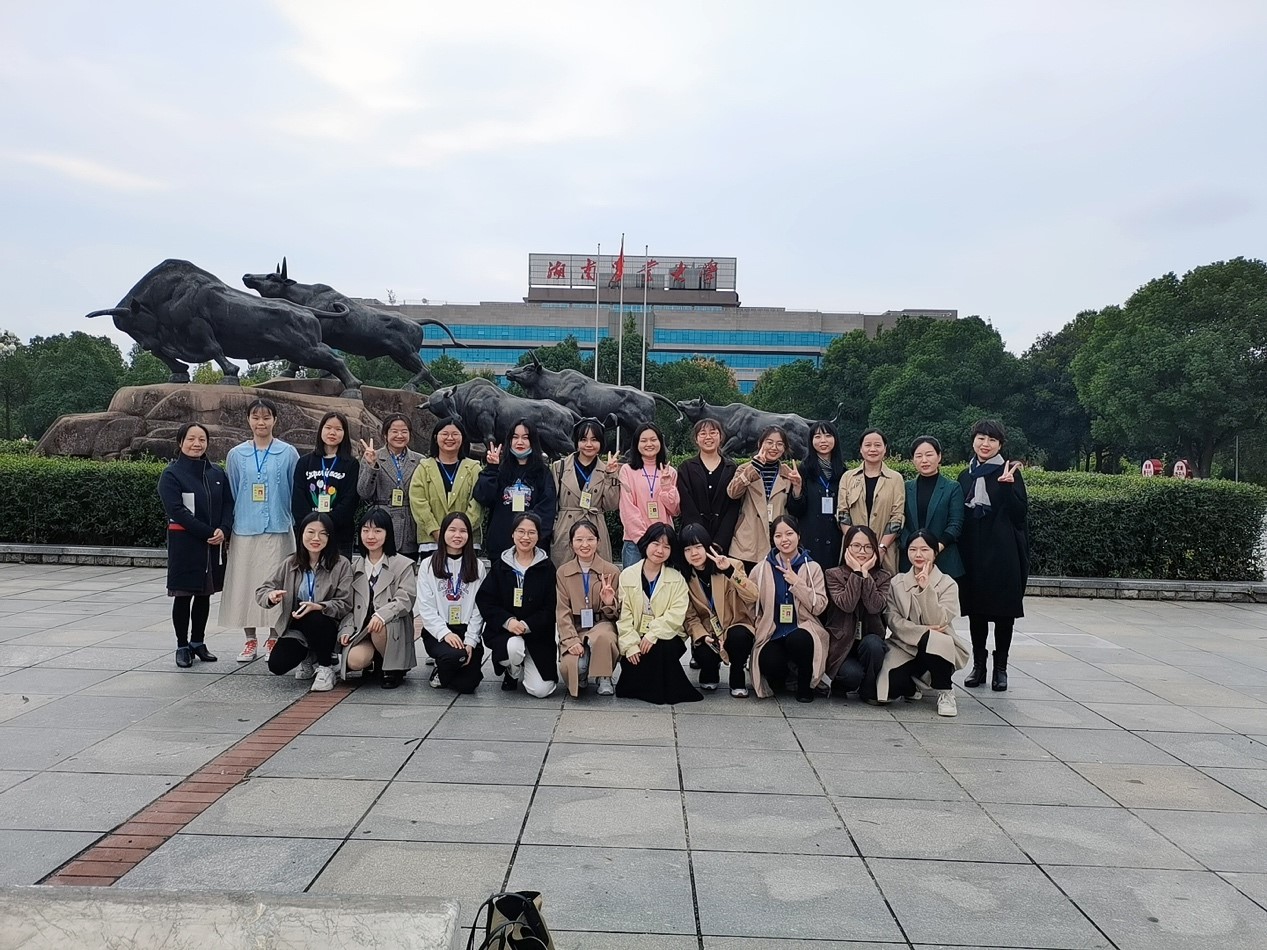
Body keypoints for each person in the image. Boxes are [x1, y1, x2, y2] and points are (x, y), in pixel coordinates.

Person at [219, 398, 300, 663]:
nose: (261, 422)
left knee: (279, 583)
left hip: (279, 528)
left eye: (266, 417)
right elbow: (233, 491)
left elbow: (293, 490)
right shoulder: (236, 454)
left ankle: (274, 636)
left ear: (275, 420)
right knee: (246, 584)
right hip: (246, 529)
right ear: (248, 420)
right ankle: (250, 639)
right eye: (256, 417)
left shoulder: (288, 453)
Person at [957, 419, 1029, 692]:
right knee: (976, 612)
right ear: (973, 441)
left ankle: (1001, 669)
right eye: (981, 438)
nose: (985, 444)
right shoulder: (966, 475)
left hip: (1003, 553)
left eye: (992, 440)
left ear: (1000, 444)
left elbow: (1020, 515)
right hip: (974, 553)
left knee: (1003, 613)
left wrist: (1008, 487)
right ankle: (979, 666)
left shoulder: (1009, 472)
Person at [157, 422, 234, 668]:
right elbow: (177, 511)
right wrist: (208, 532)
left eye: (201, 439)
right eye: (191, 439)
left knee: (204, 595)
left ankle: (198, 642)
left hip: (212, 544)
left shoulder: (216, 473)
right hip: (185, 545)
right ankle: (182, 646)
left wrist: (224, 529)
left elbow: (228, 504)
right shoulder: (172, 474)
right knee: (183, 595)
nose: (196, 444)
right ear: (180, 442)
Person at [255, 512, 353, 692]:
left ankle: (326, 666)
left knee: (314, 617)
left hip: (328, 622)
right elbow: (262, 590)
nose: (316, 538)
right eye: (311, 532)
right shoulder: (291, 562)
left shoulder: (341, 564)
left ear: (330, 537)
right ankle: (310, 656)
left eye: (323, 534)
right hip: (298, 624)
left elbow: (345, 603)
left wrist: (320, 606)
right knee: (277, 665)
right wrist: (271, 596)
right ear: (301, 534)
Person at [881, 530, 968, 717]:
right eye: (913, 549)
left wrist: (925, 589)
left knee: (933, 638)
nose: (918, 554)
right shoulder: (897, 582)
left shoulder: (947, 584)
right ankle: (915, 684)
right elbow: (892, 619)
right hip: (904, 645)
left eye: (924, 549)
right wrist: (920, 630)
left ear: (935, 553)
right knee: (889, 688)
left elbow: (939, 622)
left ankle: (945, 690)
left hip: (938, 646)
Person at [615, 524, 701, 704]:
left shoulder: (676, 578)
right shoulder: (627, 575)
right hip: (636, 635)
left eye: (666, 546)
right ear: (646, 543)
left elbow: (676, 615)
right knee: (634, 662)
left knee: (662, 647)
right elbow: (624, 615)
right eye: (655, 544)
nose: (660, 550)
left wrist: (653, 634)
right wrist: (630, 645)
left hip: (667, 636)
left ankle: (657, 693)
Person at [477, 512, 559, 697]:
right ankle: (512, 671)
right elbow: (486, 600)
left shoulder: (547, 568)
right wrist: (508, 621)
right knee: (514, 647)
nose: (525, 537)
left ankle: (527, 664)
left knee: (541, 691)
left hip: (537, 636)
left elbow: (551, 607)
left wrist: (527, 625)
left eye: (531, 532)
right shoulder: (501, 566)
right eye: (521, 531)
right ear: (513, 534)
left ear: (538, 536)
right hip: (507, 634)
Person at [750, 515, 830, 703]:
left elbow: (819, 606)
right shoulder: (762, 568)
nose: (784, 539)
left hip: (802, 628)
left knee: (799, 639)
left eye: (789, 534)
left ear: (799, 535)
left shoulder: (812, 567)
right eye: (778, 536)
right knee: (769, 661)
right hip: (773, 632)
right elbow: (750, 602)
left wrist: (798, 583)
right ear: (773, 539)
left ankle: (804, 685)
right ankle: (784, 679)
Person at [339, 508, 418, 688]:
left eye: (377, 531)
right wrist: (345, 630)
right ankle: (374, 660)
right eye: (365, 530)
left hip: (390, 628)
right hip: (362, 631)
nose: (371, 536)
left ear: (387, 533)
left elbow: (405, 598)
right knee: (354, 661)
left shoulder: (403, 564)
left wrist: (382, 615)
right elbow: (347, 605)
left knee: (378, 626)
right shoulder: (354, 567)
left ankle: (392, 668)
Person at [680, 523, 758, 697]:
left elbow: (753, 596)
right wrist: (702, 635)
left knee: (739, 637)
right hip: (709, 629)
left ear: (708, 546)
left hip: (735, 623)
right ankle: (710, 669)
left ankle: (737, 674)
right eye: (687, 549)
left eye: (698, 547)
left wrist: (729, 572)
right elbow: (690, 616)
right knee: (703, 651)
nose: (694, 553)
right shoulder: (685, 577)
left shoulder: (731, 564)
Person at [415, 511, 486, 693]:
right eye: (452, 530)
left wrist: (471, 640)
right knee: (454, 656)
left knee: (468, 686)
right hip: (439, 631)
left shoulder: (477, 566)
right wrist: (445, 633)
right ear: (443, 533)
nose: (457, 535)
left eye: (463, 531)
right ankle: (442, 666)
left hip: (466, 629)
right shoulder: (428, 564)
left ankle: (452, 667)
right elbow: (426, 607)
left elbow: (479, 608)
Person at [823, 526, 890, 702]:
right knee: (851, 676)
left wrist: (866, 575)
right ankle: (840, 683)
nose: (862, 551)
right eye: (856, 546)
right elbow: (847, 604)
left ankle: (869, 688)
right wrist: (856, 573)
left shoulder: (883, 577)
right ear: (847, 547)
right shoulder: (833, 574)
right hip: (841, 644)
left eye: (868, 547)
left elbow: (875, 607)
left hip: (869, 641)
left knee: (874, 645)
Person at [474, 418, 558, 559]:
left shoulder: (542, 473)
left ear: (533, 441)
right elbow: (483, 497)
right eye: (515, 437)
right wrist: (492, 468)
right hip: (500, 545)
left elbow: (547, 508)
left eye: (525, 438)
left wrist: (531, 534)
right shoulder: (500, 469)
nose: (520, 442)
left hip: (531, 547)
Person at [555, 519, 621, 697]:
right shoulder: (563, 572)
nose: (585, 545)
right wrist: (571, 640)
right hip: (576, 627)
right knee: (576, 667)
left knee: (603, 637)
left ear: (598, 542)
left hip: (601, 624)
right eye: (579, 540)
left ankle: (604, 676)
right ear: (571, 544)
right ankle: (583, 672)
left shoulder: (611, 571)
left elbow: (616, 616)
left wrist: (609, 602)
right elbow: (562, 611)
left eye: (590, 539)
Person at [409, 416, 484, 555]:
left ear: (463, 438)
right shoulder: (424, 468)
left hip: (467, 541)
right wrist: (435, 531)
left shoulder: (474, 468)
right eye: (445, 434)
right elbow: (418, 502)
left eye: (455, 434)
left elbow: (478, 503)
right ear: (435, 437)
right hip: (432, 541)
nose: (450, 438)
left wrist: (461, 531)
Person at [727, 426, 799, 569]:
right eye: (769, 442)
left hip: (777, 540)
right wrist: (754, 468)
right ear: (760, 444)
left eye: (779, 444)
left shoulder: (788, 474)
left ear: (784, 448)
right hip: (748, 541)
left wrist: (797, 487)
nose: (774, 447)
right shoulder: (745, 468)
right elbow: (733, 493)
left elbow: (795, 509)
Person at [550, 418, 621, 564]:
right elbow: (551, 504)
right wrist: (554, 528)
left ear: (601, 442)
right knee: (564, 573)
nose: (589, 444)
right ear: (576, 442)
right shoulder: (559, 467)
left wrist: (610, 475)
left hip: (594, 527)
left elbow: (611, 505)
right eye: (583, 439)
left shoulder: (606, 469)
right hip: (566, 528)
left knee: (596, 573)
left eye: (594, 440)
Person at [292, 410, 360, 557]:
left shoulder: (351, 464)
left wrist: (326, 524)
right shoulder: (305, 462)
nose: (332, 432)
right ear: (321, 429)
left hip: (339, 533)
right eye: (328, 427)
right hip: (309, 534)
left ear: (345, 433)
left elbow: (350, 500)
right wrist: (312, 525)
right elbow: (298, 498)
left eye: (338, 429)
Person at [837, 429, 904, 574]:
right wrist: (855, 545)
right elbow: (842, 514)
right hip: (853, 551)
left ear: (885, 449)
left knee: (884, 586)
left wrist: (881, 548)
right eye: (868, 445)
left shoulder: (895, 479)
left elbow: (897, 518)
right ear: (861, 449)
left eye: (877, 445)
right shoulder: (848, 477)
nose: (872, 449)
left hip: (884, 550)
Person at [357, 414, 424, 560]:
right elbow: (363, 493)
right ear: (385, 434)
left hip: (408, 526)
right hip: (381, 522)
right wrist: (372, 466)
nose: (399, 435)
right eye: (394, 431)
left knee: (406, 569)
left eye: (404, 431)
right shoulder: (372, 456)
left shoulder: (420, 460)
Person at [900, 435, 965, 580]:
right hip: (910, 562)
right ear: (913, 460)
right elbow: (900, 521)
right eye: (919, 456)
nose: (924, 460)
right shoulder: (905, 488)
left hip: (945, 560)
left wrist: (934, 549)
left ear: (939, 456)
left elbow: (955, 524)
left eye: (929, 455)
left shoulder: (952, 488)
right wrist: (913, 549)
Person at [617, 423, 681, 568]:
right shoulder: (627, 470)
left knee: (664, 582)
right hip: (635, 542)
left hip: (663, 542)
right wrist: (643, 540)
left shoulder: (670, 472)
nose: (649, 444)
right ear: (636, 444)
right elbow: (627, 509)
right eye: (644, 440)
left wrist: (666, 486)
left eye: (653, 440)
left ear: (660, 442)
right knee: (633, 581)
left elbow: (675, 510)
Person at [787, 421, 846, 569]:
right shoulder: (803, 469)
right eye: (818, 436)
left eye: (828, 436)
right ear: (811, 441)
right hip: (811, 537)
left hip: (836, 537)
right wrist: (797, 488)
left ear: (835, 439)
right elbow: (795, 511)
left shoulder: (844, 472)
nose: (823, 441)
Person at [677, 418, 741, 555]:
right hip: (693, 540)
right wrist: (699, 537)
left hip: (723, 540)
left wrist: (720, 541)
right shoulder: (686, 468)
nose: (708, 437)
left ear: (720, 437)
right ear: (696, 439)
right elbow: (686, 504)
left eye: (713, 432)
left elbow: (733, 507)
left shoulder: (731, 468)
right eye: (702, 433)